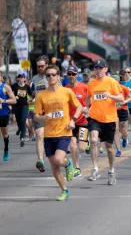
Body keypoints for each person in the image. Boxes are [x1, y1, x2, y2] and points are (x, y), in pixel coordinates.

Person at [34, 65, 82, 201]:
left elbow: (78, 107)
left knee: (58, 159)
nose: (50, 77)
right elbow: (36, 115)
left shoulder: (66, 92)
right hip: (49, 134)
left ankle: (68, 164)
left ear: (58, 76)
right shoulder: (41, 95)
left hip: (63, 132)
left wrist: (73, 120)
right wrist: (41, 118)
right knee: (54, 166)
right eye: (48, 75)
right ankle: (64, 190)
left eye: (53, 75)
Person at [85, 59, 124, 185]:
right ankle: (95, 168)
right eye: (96, 68)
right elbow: (88, 97)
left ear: (106, 69)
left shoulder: (111, 82)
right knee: (94, 140)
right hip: (95, 117)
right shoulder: (91, 84)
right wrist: (87, 108)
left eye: (101, 68)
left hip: (109, 118)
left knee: (109, 148)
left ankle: (111, 171)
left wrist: (111, 96)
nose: (98, 70)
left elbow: (121, 98)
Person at [65, 66, 89, 177]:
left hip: (83, 121)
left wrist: (87, 109)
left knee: (81, 148)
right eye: (69, 74)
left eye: (73, 74)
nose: (71, 76)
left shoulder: (84, 87)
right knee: (73, 146)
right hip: (71, 122)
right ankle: (77, 168)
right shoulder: (65, 89)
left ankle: (86, 143)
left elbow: (90, 101)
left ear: (77, 75)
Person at [0, 70, 17, 161]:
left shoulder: (5, 87)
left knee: (5, 134)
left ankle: (6, 149)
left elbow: (14, 100)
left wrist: (4, 101)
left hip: (3, 114)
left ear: (1, 77)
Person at [11, 73, 32, 147]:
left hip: (25, 106)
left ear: (24, 79)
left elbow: (31, 94)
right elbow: (9, 93)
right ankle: (20, 129)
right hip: (16, 106)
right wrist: (14, 96)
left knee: (23, 120)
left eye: (22, 78)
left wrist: (30, 99)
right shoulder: (14, 86)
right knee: (19, 121)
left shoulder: (27, 87)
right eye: (19, 78)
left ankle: (22, 138)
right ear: (18, 79)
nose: (20, 79)